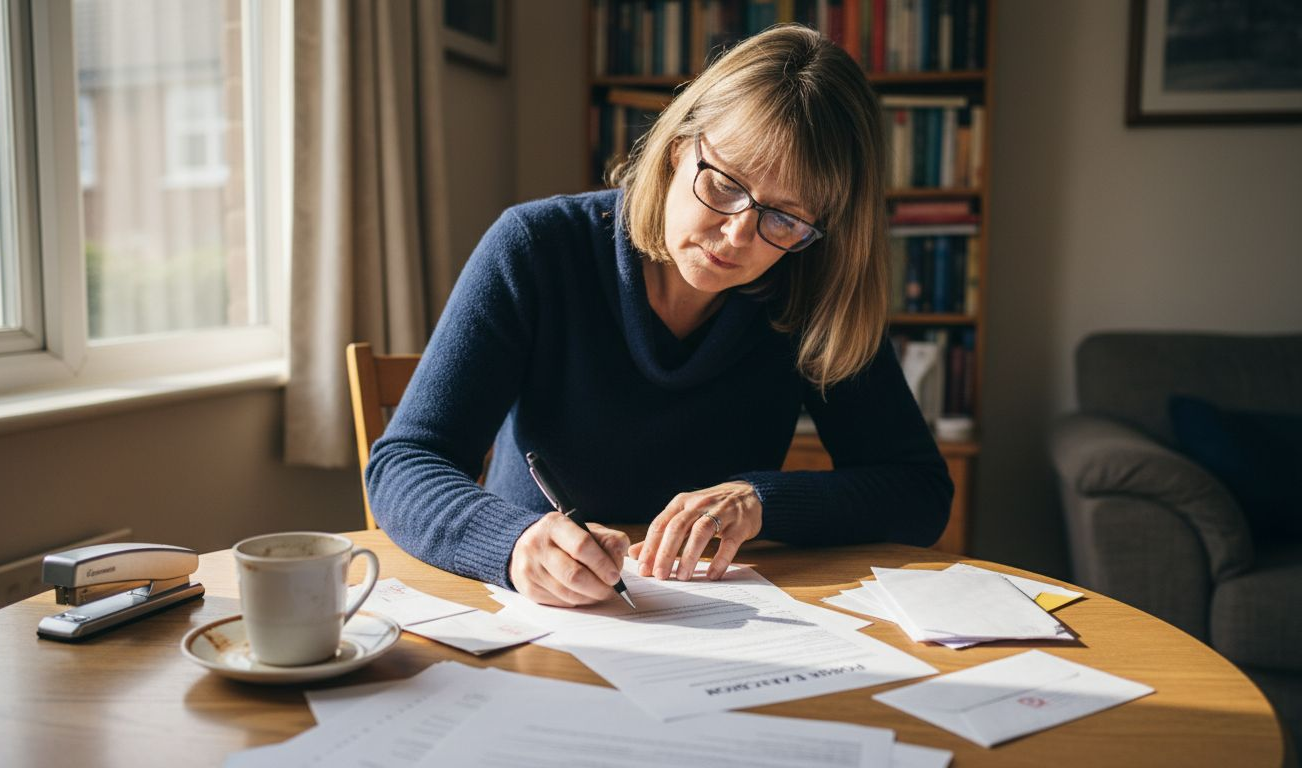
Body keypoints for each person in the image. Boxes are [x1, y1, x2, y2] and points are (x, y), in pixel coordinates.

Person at [366, 24, 952, 608]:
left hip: (721, 618)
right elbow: (405, 463)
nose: (737, 234)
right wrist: (513, 543)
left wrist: (763, 501)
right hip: (537, 613)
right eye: (724, 184)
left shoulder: (809, 288)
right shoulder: (537, 248)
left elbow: (918, 492)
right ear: (679, 148)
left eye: (785, 218)